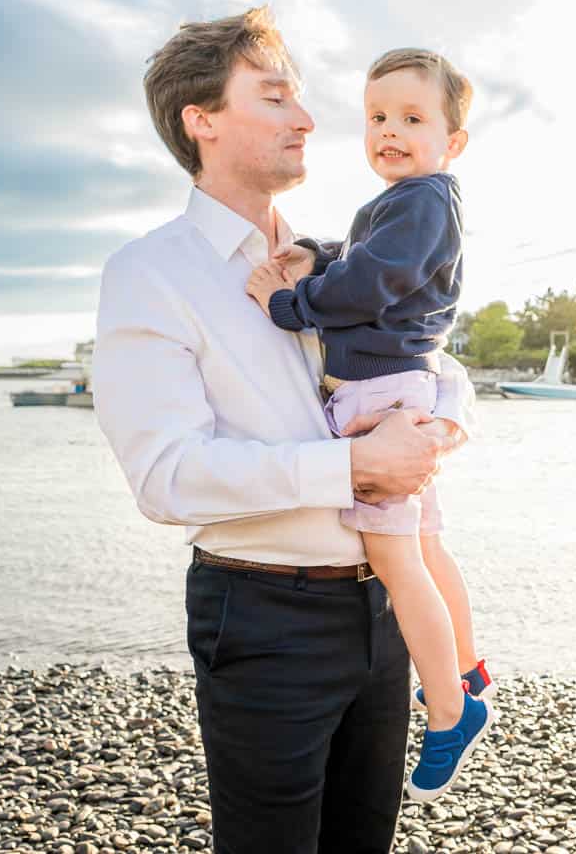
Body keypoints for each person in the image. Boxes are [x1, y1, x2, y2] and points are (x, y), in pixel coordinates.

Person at [93, 8, 475, 854]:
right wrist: (351, 465)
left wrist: (445, 420)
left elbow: (434, 357)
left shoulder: (335, 260)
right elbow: (167, 477)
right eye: (275, 99)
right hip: (264, 616)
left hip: (382, 608)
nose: (308, 119)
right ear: (202, 122)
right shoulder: (148, 274)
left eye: (301, 99)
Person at [244, 48, 495, 802]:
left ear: (453, 141)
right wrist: (320, 250)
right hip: (401, 389)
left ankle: (452, 711)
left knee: (397, 564)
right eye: (378, 117)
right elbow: (370, 258)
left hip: (378, 396)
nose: (389, 130)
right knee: (425, 542)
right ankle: (468, 665)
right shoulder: (412, 201)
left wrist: (292, 303)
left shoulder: (422, 200)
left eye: (413, 119)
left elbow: (373, 280)